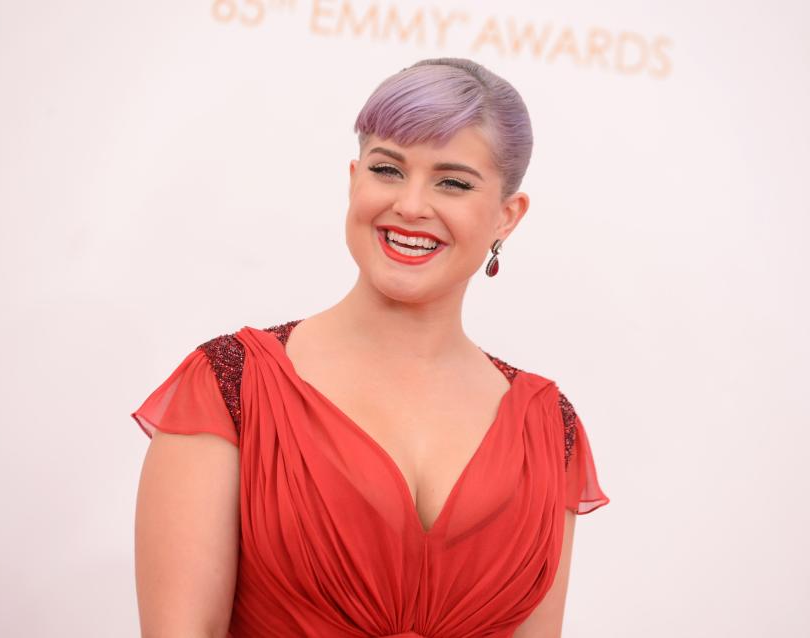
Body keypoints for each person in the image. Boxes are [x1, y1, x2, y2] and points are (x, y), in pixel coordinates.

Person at [130, 57, 609, 638]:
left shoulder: (545, 426)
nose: (410, 205)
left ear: (508, 216)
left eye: (452, 182)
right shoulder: (233, 386)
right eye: (388, 170)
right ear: (354, 178)